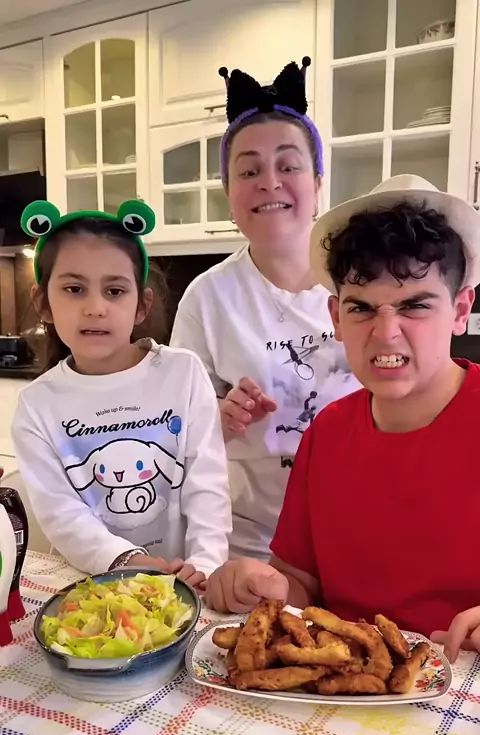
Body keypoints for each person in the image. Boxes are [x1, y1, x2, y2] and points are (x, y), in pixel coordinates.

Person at [205, 174, 480, 662]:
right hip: (345, 686)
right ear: (335, 317)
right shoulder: (326, 433)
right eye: (362, 309)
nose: (386, 332)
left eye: (415, 305)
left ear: (460, 309)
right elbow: (299, 584)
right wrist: (261, 584)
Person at [171, 57, 360, 563]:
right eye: (249, 170)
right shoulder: (207, 298)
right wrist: (219, 417)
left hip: (360, 530)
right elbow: (178, 431)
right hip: (249, 545)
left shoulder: (363, 283)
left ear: (317, 181)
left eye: (288, 165)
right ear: (228, 193)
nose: (269, 182)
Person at [12, 199, 231, 588]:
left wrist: (206, 564)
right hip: (91, 586)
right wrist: (126, 560)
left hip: (186, 582)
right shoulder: (37, 406)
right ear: (43, 302)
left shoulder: (182, 373)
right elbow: (61, 512)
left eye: (114, 290)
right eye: (74, 289)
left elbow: (207, 484)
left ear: (141, 306)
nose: (96, 307)